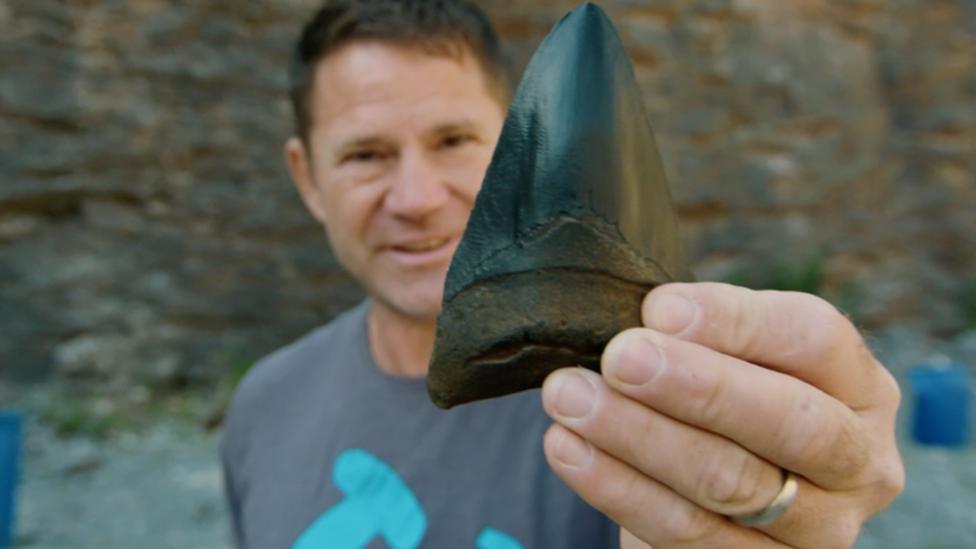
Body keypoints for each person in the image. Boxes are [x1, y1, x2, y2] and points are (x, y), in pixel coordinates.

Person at [220, 1, 905, 548]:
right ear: (306, 177)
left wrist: (789, 492)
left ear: (521, 145)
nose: (417, 196)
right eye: (365, 154)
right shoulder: (262, 408)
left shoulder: (652, 402)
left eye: (454, 141)